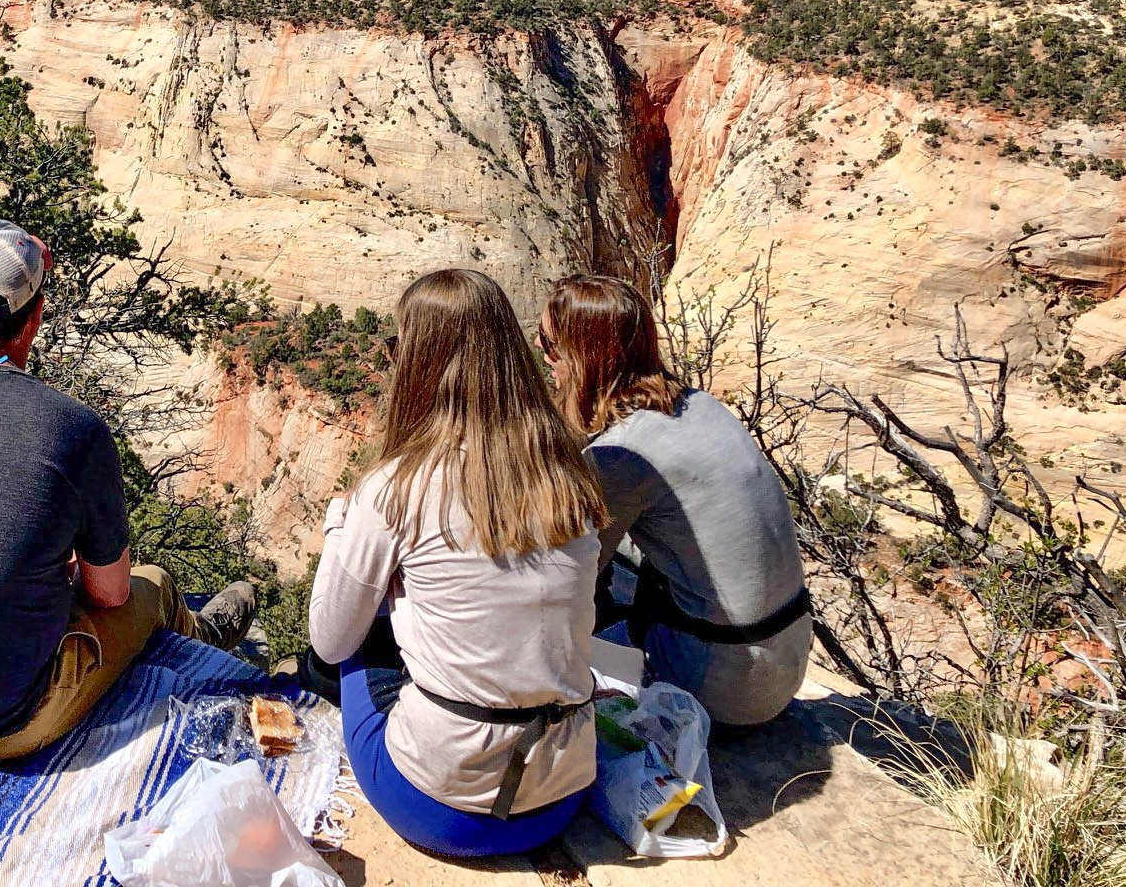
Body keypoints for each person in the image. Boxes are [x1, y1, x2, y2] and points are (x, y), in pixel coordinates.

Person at [0, 218, 257, 761]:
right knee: (152, 587)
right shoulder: (72, 428)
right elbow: (110, 594)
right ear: (32, 320)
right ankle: (203, 637)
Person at [309, 268, 605, 858]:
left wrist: (341, 526)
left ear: (417, 361)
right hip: (560, 795)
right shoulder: (570, 475)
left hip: (440, 809)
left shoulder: (398, 488)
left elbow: (329, 639)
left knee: (361, 638)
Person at [542, 274, 810, 726]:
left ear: (583, 358)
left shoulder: (621, 457)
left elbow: (567, 579)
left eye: (550, 346)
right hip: (784, 661)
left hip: (722, 687)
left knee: (576, 571)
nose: (544, 355)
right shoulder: (700, 404)